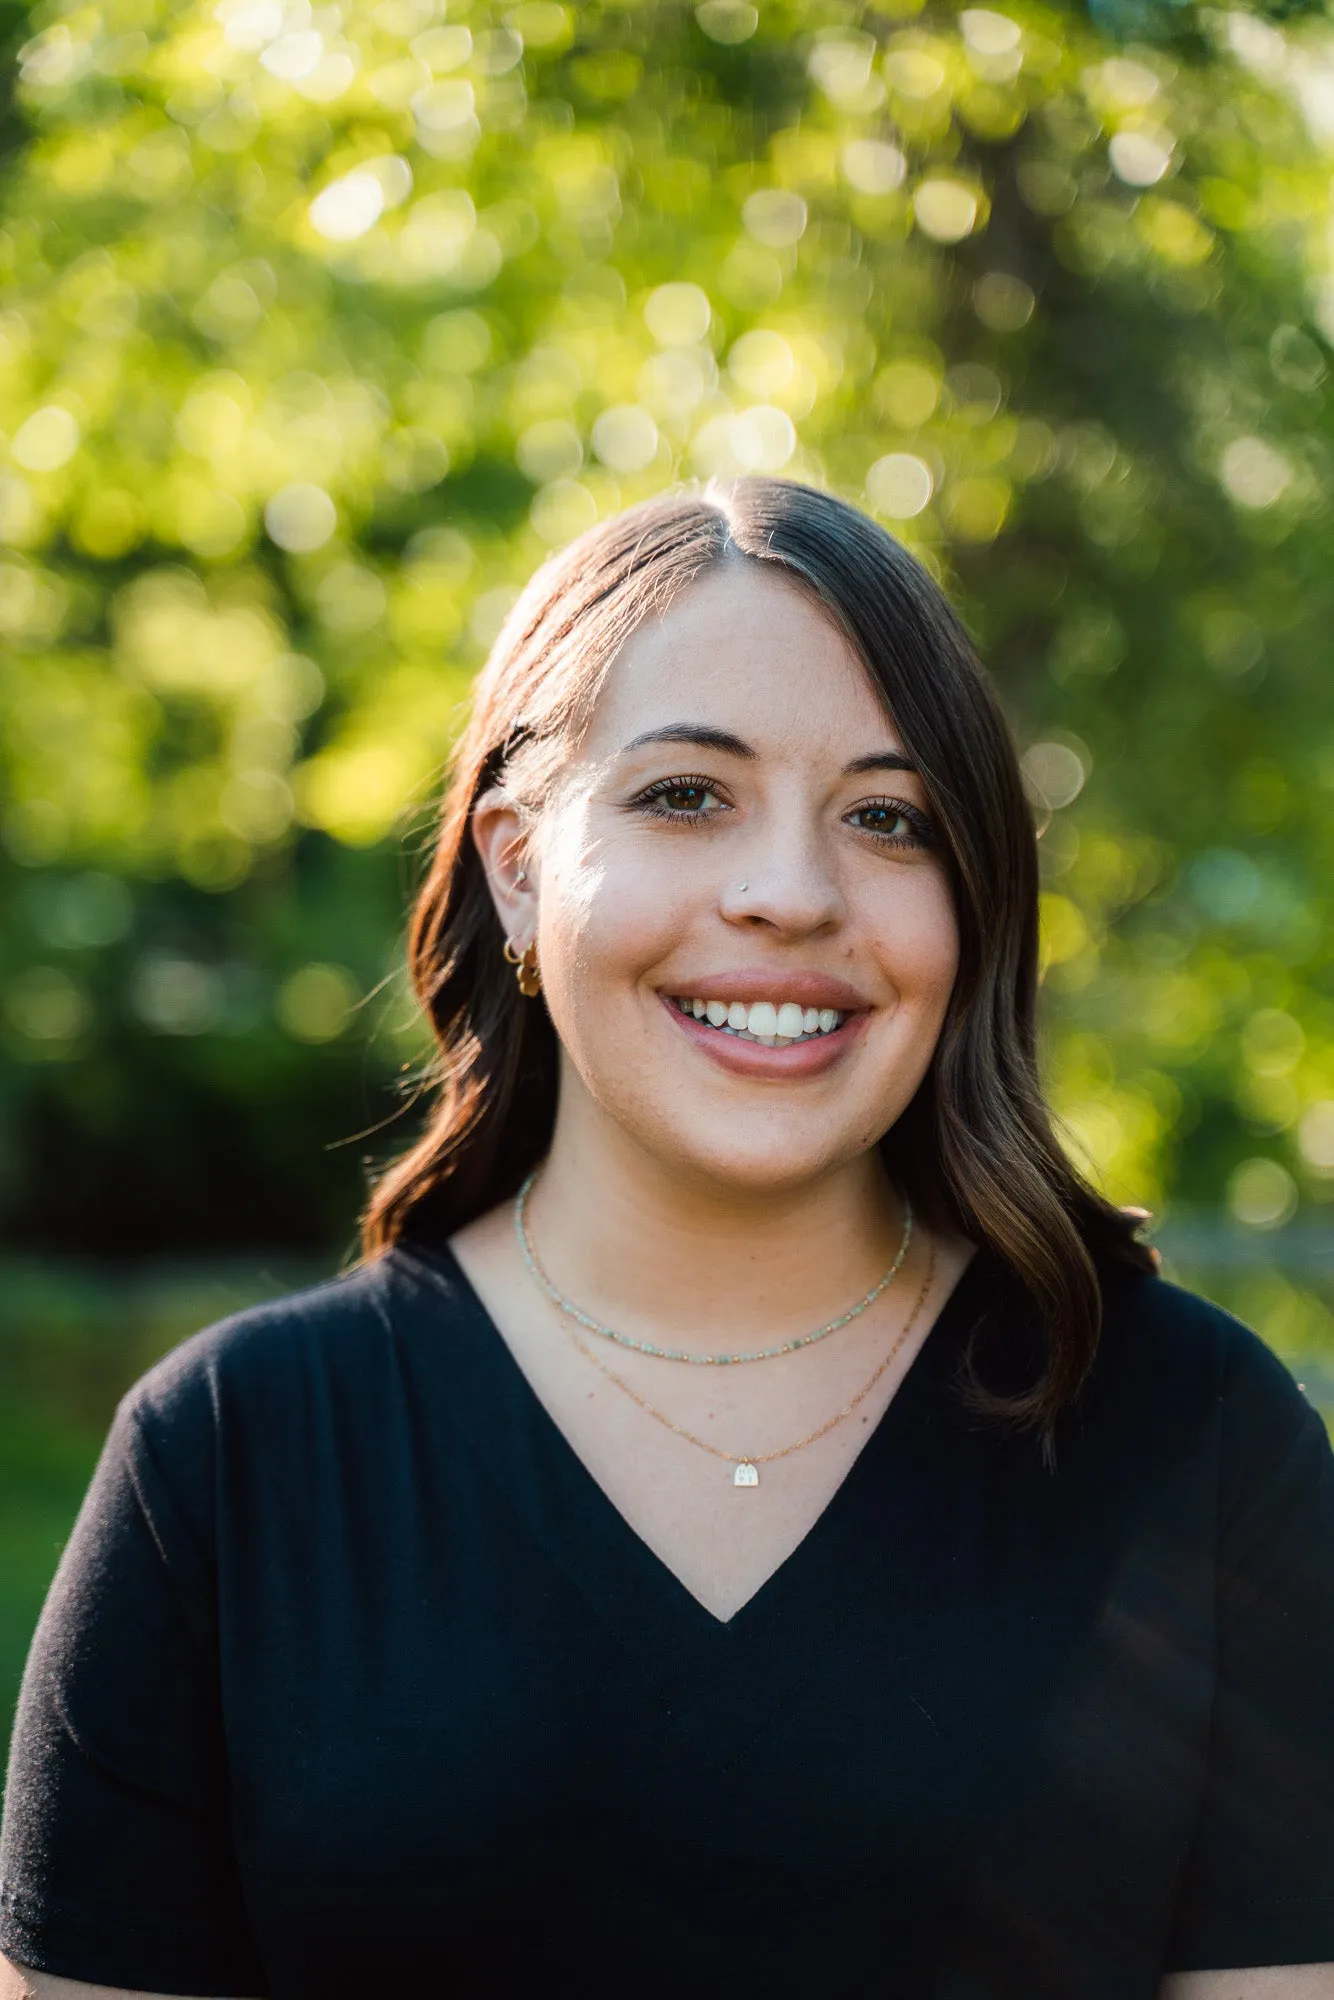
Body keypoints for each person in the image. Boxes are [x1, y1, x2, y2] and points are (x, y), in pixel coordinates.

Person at [2, 480, 1332, 2000]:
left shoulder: (1198, 1447)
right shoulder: (226, 1466)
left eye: (885, 819)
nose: (789, 894)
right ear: (515, 862)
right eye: (685, 795)